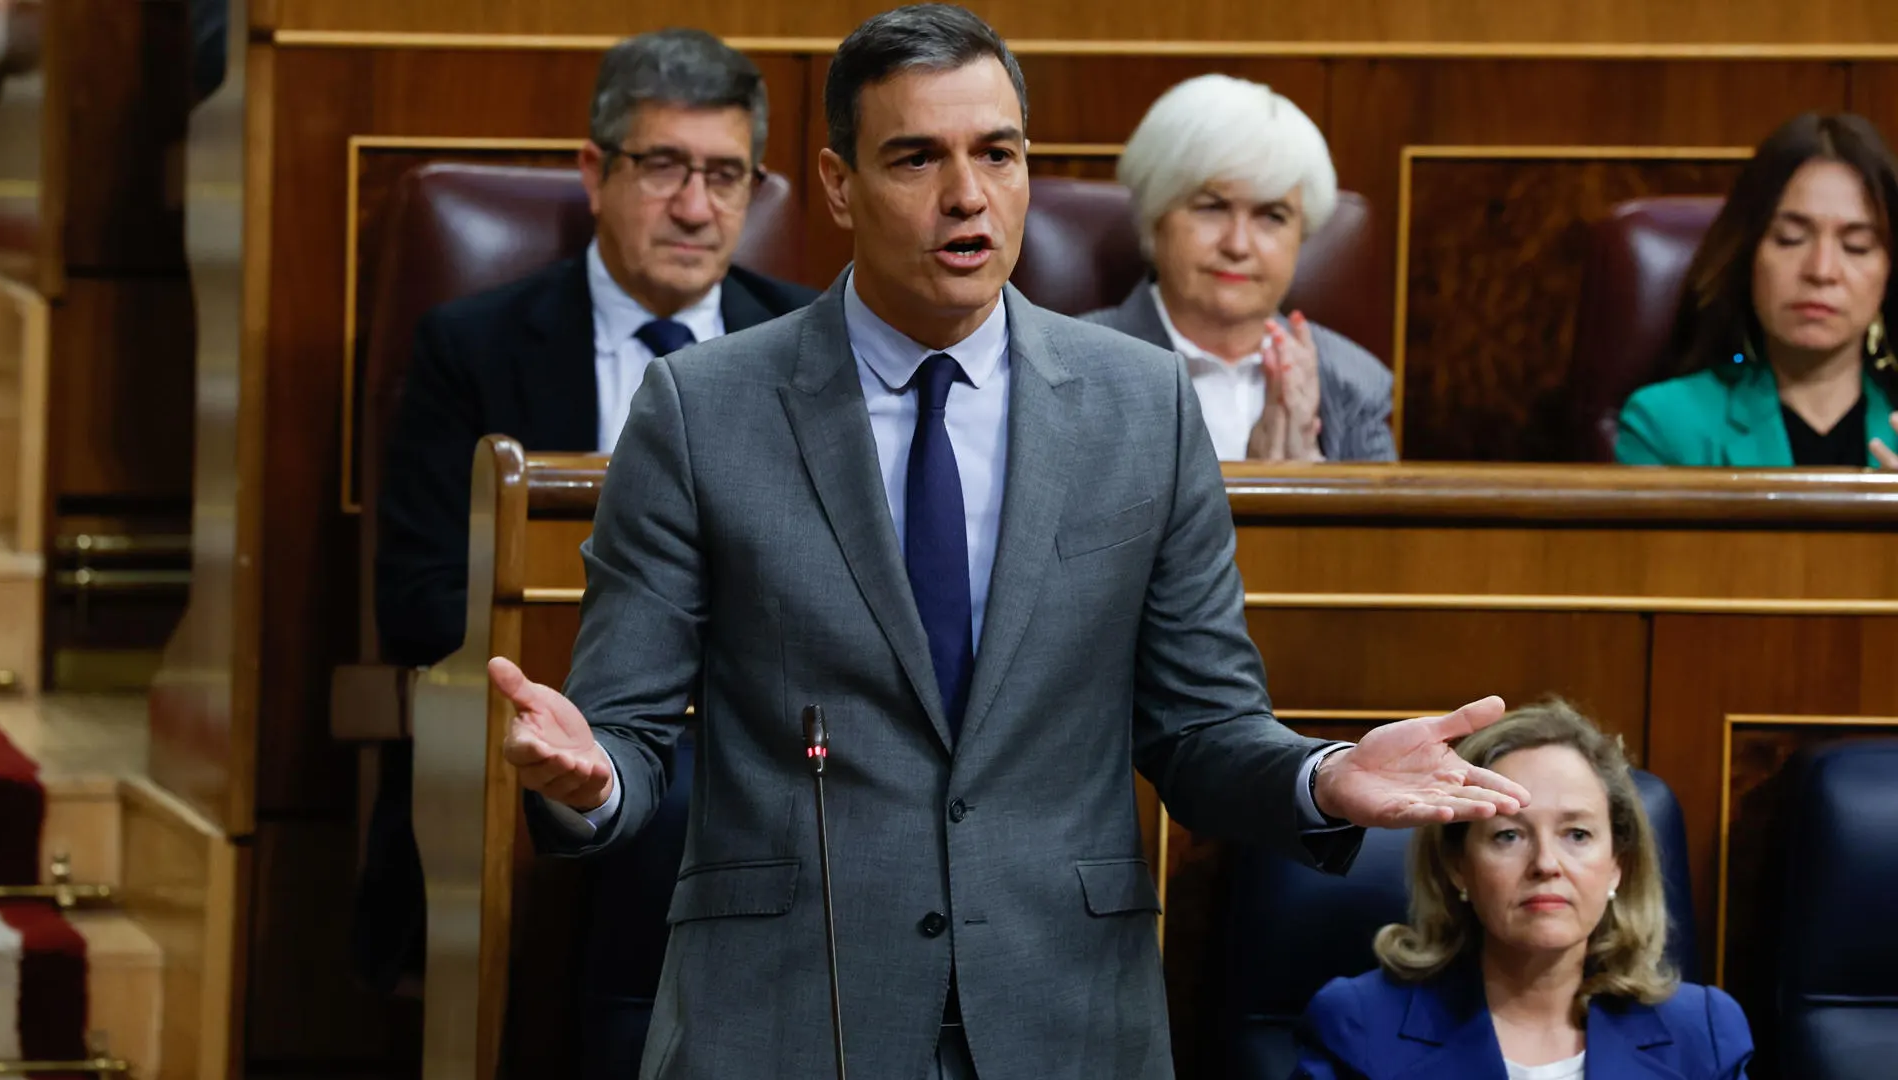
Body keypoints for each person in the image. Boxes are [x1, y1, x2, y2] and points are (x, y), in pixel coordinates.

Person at [490, 6, 1528, 1078]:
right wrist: (592, 780)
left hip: (1065, 1011)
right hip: (790, 1009)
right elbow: (628, 733)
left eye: (998, 152)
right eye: (916, 157)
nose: (967, 195)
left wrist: (1324, 774)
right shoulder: (703, 409)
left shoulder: (1142, 406)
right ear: (839, 185)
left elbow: (1200, 726)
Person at [353, 27, 816, 1009]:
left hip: (770, 744)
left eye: (726, 175)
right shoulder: (472, 348)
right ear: (593, 171)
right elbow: (423, 598)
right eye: (663, 168)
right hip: (536, 739)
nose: (695, 206)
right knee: (675, 818)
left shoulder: (815, 349)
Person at [1295, 701, 1753, 1080]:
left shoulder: (1705, 1034)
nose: (1546, 865)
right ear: (1458, 866)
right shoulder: (1359, 1025)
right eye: (1508, 835)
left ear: (1618, 865)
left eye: (1576, 834)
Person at [1083, 74, 1394, 463]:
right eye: (1212, 207)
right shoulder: (1071, 368)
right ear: (1155, 216)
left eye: (1272, 216)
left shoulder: (1354, 382)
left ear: (1302, 232)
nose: (1238, 245)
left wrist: (1317, 492)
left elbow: (1385, 525)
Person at [1616, 112, 1898, 467]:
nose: (1821, 271)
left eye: (1856, 245)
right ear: (1747, 252)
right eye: (1790, 239)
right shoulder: (1667, 425)